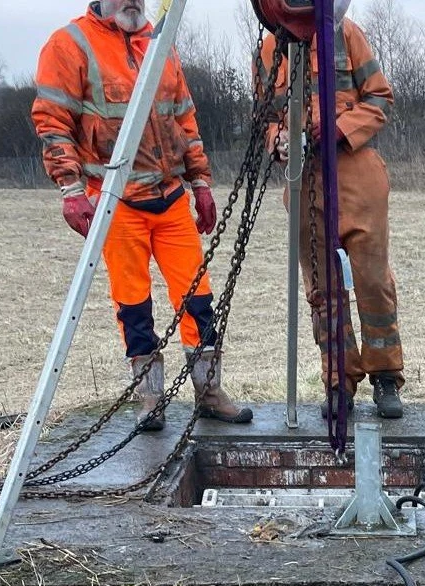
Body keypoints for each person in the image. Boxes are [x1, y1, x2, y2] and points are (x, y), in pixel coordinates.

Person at [32, 0, 252, 432]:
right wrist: (72, 189)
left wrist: (200, 181)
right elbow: (52, 121)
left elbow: (183, 117)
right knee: (133, 304)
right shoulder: (70, 44)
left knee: (198, 297)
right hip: (115, 198)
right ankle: (150, 396)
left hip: (169, 197)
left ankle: (209, 391)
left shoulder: (160, 42)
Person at [257, 4, 406, 419]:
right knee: (323, 289)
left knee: (372, 280)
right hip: (304, 179)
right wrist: (279, 141)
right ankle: (339, 383)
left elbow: (380, 97)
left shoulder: (348, 35)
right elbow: (265, 116)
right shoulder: (270, 48)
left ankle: (386, 377)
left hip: (355, 168)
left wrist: (339, 128)